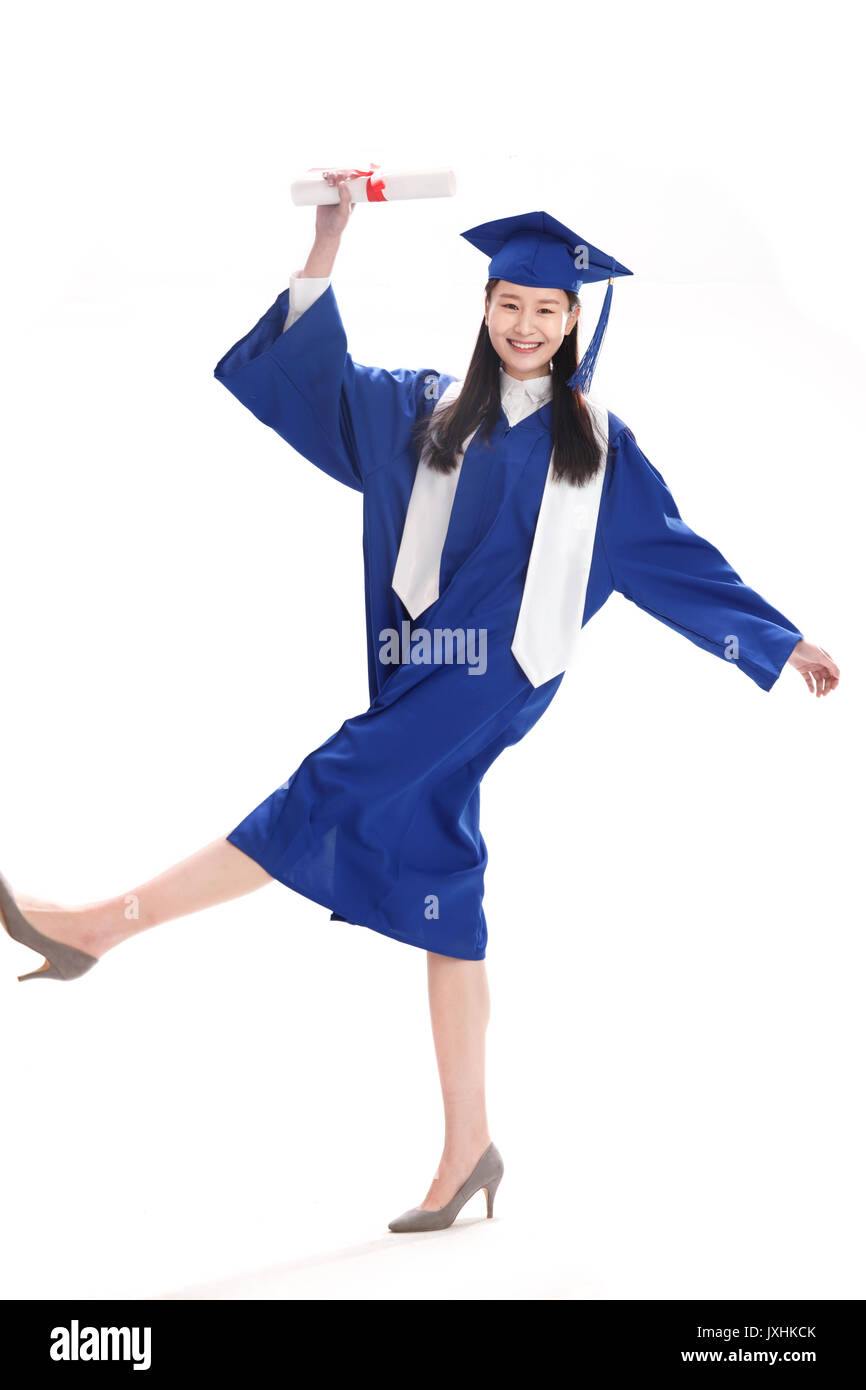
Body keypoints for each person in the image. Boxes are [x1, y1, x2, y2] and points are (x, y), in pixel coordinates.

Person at [0, 174, 840, 1234]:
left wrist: (774, 640)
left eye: (546, 310)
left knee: (323, 789)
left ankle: (98, 928)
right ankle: (468, 1148)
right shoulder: (423, 410)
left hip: (489, 682)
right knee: (447, 892)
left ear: (576, 320)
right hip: (415, 666)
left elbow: (673, 560)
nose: (525, 325)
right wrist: (327, 243)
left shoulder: (599, 449)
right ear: (485, 307)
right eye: (508, 304)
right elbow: (319, 387)